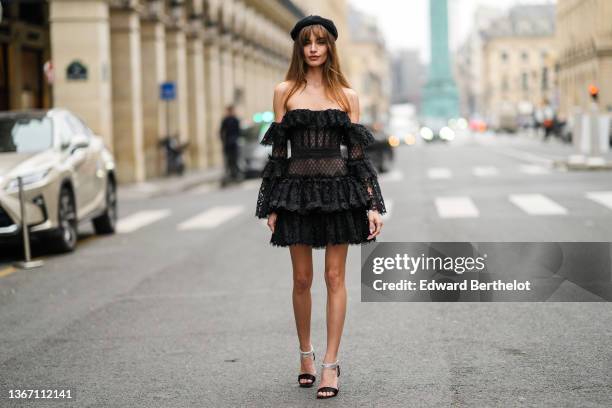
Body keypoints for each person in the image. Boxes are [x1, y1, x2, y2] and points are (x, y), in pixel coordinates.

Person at [254, 15, 386, 399]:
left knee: (334, 278)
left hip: (339, 193)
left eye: (321, 41)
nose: (313, 48)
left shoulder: (347, 95)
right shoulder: (285, 91)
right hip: (295, 192)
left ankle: (330, 364)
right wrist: (272, 203)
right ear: (299, 47)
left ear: (330, 47)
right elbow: (279, 153)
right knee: (301, 280)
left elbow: (358, 156)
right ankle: (305, 355)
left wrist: (372, 205)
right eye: (307, 42)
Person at [220, 105, 242, 182]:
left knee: (235, 159)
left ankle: (235, 174)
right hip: (227, 144)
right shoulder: (225, 120)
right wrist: (223, 141)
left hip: (234, 143)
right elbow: (221, 131)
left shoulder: (235, 120)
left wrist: (236, 139)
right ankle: (229, 174)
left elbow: (239, 131)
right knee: (228, 160)